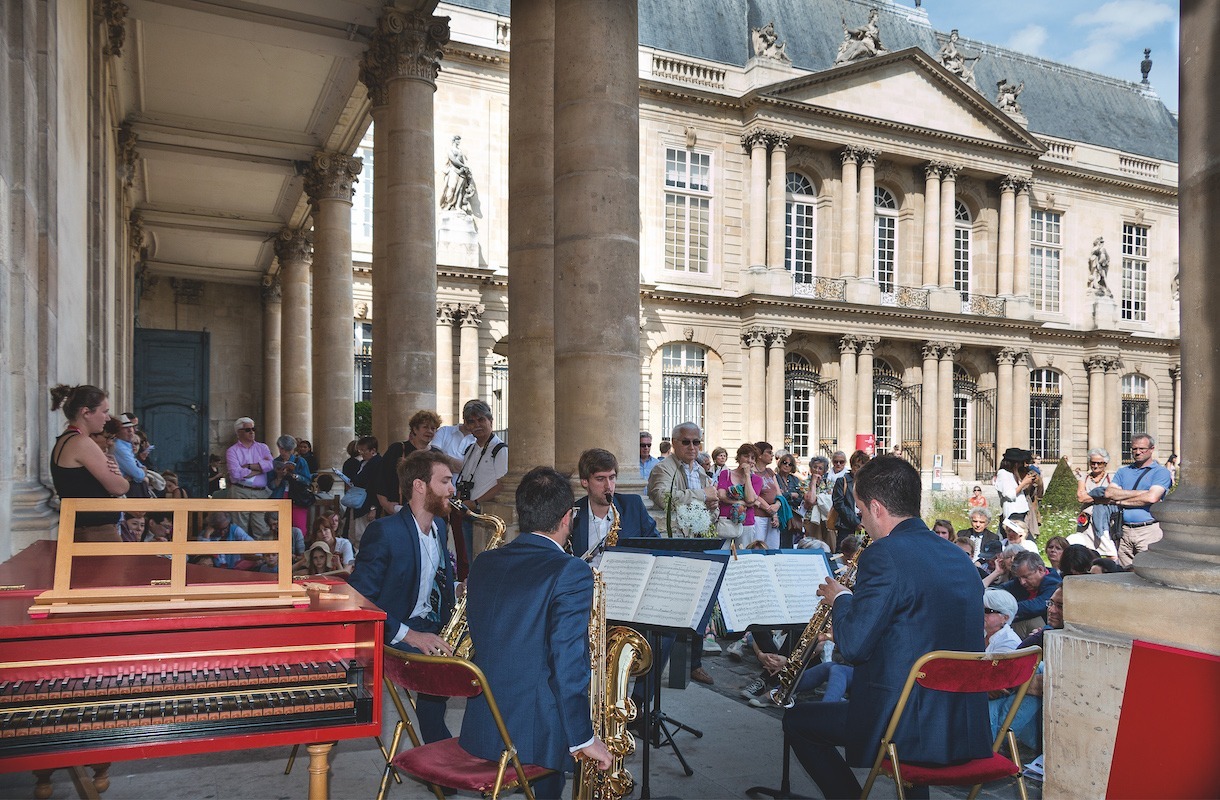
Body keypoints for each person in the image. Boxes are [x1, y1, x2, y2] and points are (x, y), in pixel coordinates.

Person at [783, 455, 989, 798]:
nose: (861, 523)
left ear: (877, 507)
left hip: (904, 723)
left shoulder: (884, 554)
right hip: (961, 722)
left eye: (861, 513)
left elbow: (852, 647)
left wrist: (841, 599)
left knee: (799, 722)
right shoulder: (957, 556)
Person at [460, 466, 612, 799]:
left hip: (485, 722)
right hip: (537, 732)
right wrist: (583, 737)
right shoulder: (570, 571)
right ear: (567, 517)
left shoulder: (485, 562)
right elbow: (567, 661)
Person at [348, 449, 457, 743]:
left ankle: (478, 749)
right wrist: (410, 635)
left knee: (492, 660)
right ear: (420, 485)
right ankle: (442, 757)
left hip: (431, 623)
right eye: (445, 481)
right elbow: (358, 600)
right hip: (395, 632)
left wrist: (456, 590)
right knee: (445, 670)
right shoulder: (384, 532)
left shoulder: (440, 526)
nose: (452, 488)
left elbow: (431, 580)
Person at [647, 421, 720, 683]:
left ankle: (694, 663)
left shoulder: (700, 470)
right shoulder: (663, 468)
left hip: (697, 542)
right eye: (686, 442)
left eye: (696, 442)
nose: (692, 447)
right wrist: (702, 495)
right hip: (674, 544)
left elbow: (712, 510)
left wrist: (712, 506)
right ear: (675, 443)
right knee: (673, 606)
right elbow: (662, 497)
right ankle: (658, 668)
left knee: (698, 604)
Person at [49, 384, 130, 541]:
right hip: (96, 533)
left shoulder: (67, 439)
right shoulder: (81, 442)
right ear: (86, 412)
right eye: (104, 412)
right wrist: (118, 475)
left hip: (83, 530)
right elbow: (120, 488)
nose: (107, 418)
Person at [571, 448, 658, 562]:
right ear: (584, 481)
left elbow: (656, 544)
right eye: (600, 479)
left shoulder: (633, 506)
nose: (608, 486)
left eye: (612, 478)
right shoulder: (572, 513)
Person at [1104, 432, 1173, 567]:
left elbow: (1152, 497)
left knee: (1150, 571)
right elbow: (1109, 493)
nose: (1138, 452)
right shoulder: (1123, 471)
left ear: (1152, 449)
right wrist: (1142, 493)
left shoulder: (1161, 472)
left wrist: (1120, 501)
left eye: (1142, 449)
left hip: (1148, 530)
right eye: (1134, 449)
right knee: (1125, 573)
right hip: (1124, 531)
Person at [378, 410, 443, 515]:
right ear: (415, 429)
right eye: (425, 427)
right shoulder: (397, 449)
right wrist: (385, 504)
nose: (430, 431)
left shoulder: (437, 455)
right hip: (398, 510)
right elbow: (381, 479)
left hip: (428, 511)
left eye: (433, 428)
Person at [225, 417, 274, 539]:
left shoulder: (263, 447)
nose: (252, 432)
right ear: (238, 432)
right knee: (240, 528)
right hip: (240, 491)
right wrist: (260, 469)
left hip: (261, 492)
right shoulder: (232, 451)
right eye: (248, 430)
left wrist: (249, 466)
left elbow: (271, 465)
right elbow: (236, 473)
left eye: (253, 429)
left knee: (262, 528)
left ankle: (264, 556)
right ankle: (242, 557)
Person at [999, 551, 1062, 637]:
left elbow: (1038, 605)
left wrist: (1007, 609)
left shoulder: (1053, 583)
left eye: (1025, 577)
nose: (1022, 582)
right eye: (1019, 578)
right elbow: (998, 590)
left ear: (1040, 570)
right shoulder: (1022, 581)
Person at [1073, 447, 1119, 558]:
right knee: (1088, 552)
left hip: (1105, 520)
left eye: (1099, 463)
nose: (1096, 466)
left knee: (1111, 551)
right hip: (1087, 521)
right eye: (1093, 463)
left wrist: (1090, 496)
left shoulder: (1112, 478)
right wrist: (1102, 497)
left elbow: (1115, 497)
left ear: (1105, 464)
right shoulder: (1084, 478)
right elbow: (1081, 498)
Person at [717, 443, 763, 546]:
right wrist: (740, 502)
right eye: (746, 456)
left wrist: (747, 475)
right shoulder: (726, 474)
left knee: (743, 555)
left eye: (752, 458)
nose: (749, 460)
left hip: (746, 522)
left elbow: (750, 499)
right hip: (726, 520)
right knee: (722, 552)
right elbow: (722, 495)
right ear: (739, 457)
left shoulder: (757, 480)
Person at [268, 434, 312, 535]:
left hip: (297, 498)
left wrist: (294, 476)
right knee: (278, 529)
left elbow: (307, 481)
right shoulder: (275, 462)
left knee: (299, 529)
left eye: (287, 450)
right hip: (279, 496)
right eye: (282, 449)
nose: (283, 452)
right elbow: (271, 485)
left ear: (292, 449)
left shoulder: (300, 461)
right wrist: (279, 477)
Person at [348, 435, 382, 549]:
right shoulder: (364, 463)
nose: (361, 453)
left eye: (363, 450)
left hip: (367, 506)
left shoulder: (378, 463)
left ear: (373, 451)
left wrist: (373, 507)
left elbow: (377, 487)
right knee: (355, 536)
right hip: (358, 503)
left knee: (364, 537)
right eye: (360, 450)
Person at [831, 450, 869, 550]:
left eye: (863, 466)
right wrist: (855, 522)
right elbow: (839, 504)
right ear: (852, 466)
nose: (859, 469)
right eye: (857, 466)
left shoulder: (868, 483)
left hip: (865, 525)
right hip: (846, 526)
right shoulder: (842, 481)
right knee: (843, 554)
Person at [994, 447, 1035, 526]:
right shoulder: (1003, 473)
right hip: (1013, 512)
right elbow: (1009, 495)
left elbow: (1020, 491)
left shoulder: (1013, 474)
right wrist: (1024, 482)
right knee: (1019, 535)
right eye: (1019, 463)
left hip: (1020, 510)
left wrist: (1028, 482)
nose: (1020, 465)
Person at [439, 135, 475, 214]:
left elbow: (464, 161)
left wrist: (465, 167)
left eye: (459, 140)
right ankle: (448, 204)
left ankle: (458, 206)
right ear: (454, 140)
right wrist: (463, 166)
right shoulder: (450, 149)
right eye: (458, 140)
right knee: (452, 187)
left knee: (460, 190)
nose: (459, 141)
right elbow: (453, 159)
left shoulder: (460, 151)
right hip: (453, 170)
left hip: (461, 172)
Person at [983, 588, 1022, 653]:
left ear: (1005, 618)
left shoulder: (1009, 642)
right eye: (980, 609)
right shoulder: (978, 632)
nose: (982, 614)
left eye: (987, 611)